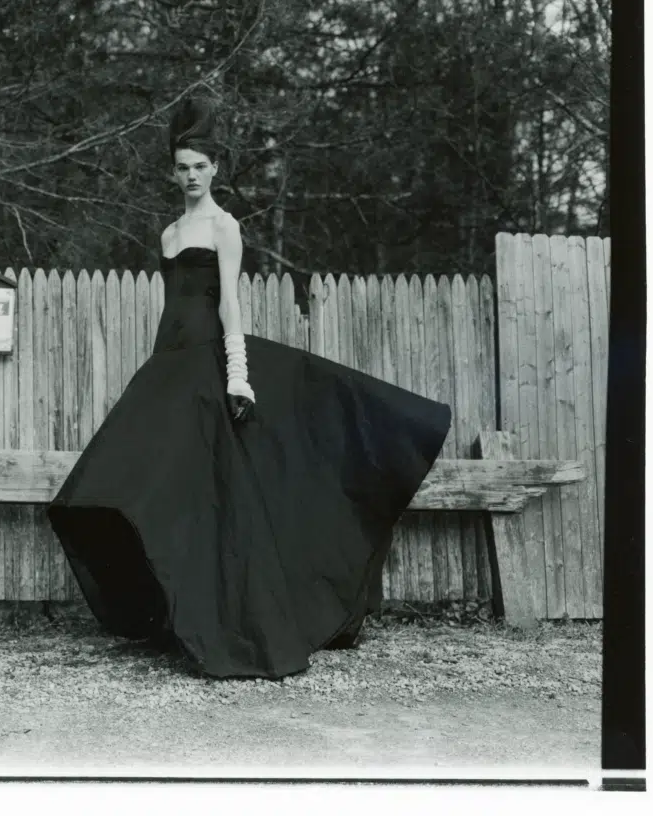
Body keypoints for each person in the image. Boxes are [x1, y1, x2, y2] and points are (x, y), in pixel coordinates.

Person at [48, 96, 451, 679]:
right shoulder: (167, 233)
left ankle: (230, 625)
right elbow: (173, 307)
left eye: (200, 165)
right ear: (172, 170)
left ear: (215, 169)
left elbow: (231, 303)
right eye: (182, 165)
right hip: (167, 364)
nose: (190, 175)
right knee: (134, 479)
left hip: (210, 364)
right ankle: (170, 614)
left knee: (217, 494)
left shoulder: (223, 226)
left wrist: (237, 374)